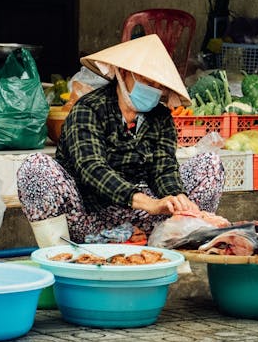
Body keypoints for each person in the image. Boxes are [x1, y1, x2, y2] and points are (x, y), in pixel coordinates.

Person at [17, 34, 225, 247]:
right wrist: (147, 203)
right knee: (35, 167)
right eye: (146, 81)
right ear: (124, 74)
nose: (153, 90)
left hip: (144, 218)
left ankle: (176, 242)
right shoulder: (89, 109)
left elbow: (164, 168)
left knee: (210, 164)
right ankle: (60, 256)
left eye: (158, 85)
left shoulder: (160, 117)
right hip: (90, 218)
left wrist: (176, 197)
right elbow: (92, 168)